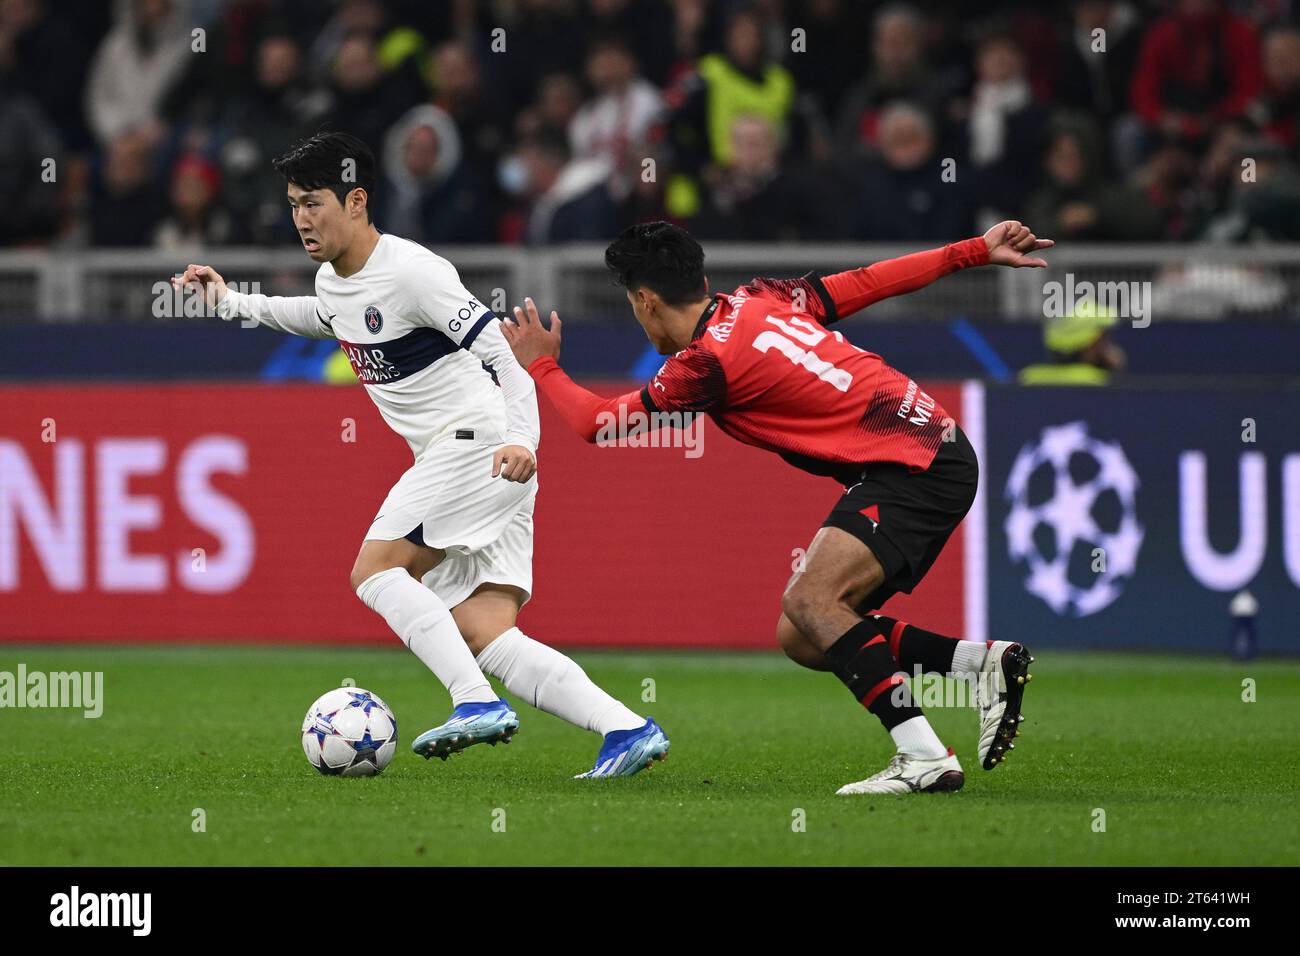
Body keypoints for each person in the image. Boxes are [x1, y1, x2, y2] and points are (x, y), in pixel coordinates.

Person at [169, 132, 667, 779]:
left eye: (314, 202)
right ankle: (627, 729)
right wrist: (227, 299)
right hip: (484, 459)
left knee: (374, 570)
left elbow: (503, 353)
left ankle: (473, 702)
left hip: (480, 445)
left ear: (356, 201)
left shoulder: (412, 272)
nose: (301, 218)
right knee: (482, 631)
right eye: (293, 204)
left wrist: (524, 439)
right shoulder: (336, 282)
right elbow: (316, 315)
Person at [502, 220, 1048, 795]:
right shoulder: (762, 299)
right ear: (703, 279)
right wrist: (973, 251)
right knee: (803, 632)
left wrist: (541, 365)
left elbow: (596, 424)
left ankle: (924, 756)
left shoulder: (703, 365)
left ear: (645, 300)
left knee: (812, 600)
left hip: (913, 465)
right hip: (928, 444)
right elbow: (864, 282)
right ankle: (979, 665)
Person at [1020, 299, 1125, 385]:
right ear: (1091, 346)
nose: (1109, 348)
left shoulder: (1028, 378)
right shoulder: (1101, 383)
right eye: (1104, 340)